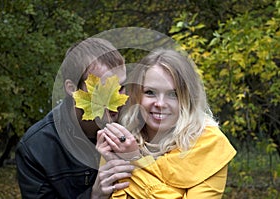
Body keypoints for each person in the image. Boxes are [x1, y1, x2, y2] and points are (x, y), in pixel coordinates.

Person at [97, 49, 237, 198]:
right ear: (137, 95)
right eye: (150, 92)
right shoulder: (120, 139)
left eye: (173, 94)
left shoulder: (209, 145)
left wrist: (134, 161)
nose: (160, 103)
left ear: (188, 99)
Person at [15, 38, 135, 199]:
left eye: (121, 87)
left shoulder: (137, 126)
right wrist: (94, 195)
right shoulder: (36, 147)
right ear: (72, 89)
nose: (118, 100)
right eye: (103, 89)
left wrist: (136, 160)